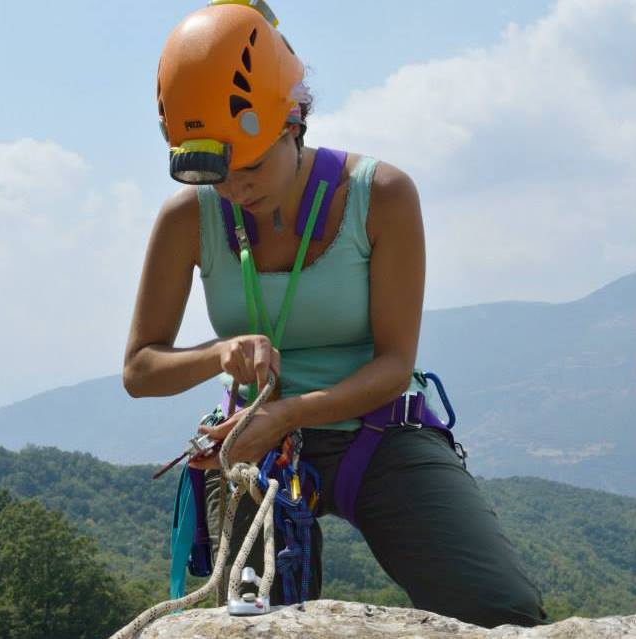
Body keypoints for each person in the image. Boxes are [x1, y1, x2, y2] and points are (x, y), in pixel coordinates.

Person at [123, 0, 547, 628]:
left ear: (294, 121)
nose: (238, 188)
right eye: (220, 173)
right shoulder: (188, 218)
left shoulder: (381, 197)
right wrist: (218, 354)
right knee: (251, 620)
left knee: (500, 610)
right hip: (253, 445)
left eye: (254, 163)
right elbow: (140, 368)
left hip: (377, 430)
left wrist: (289, 413)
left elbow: (395, 363)